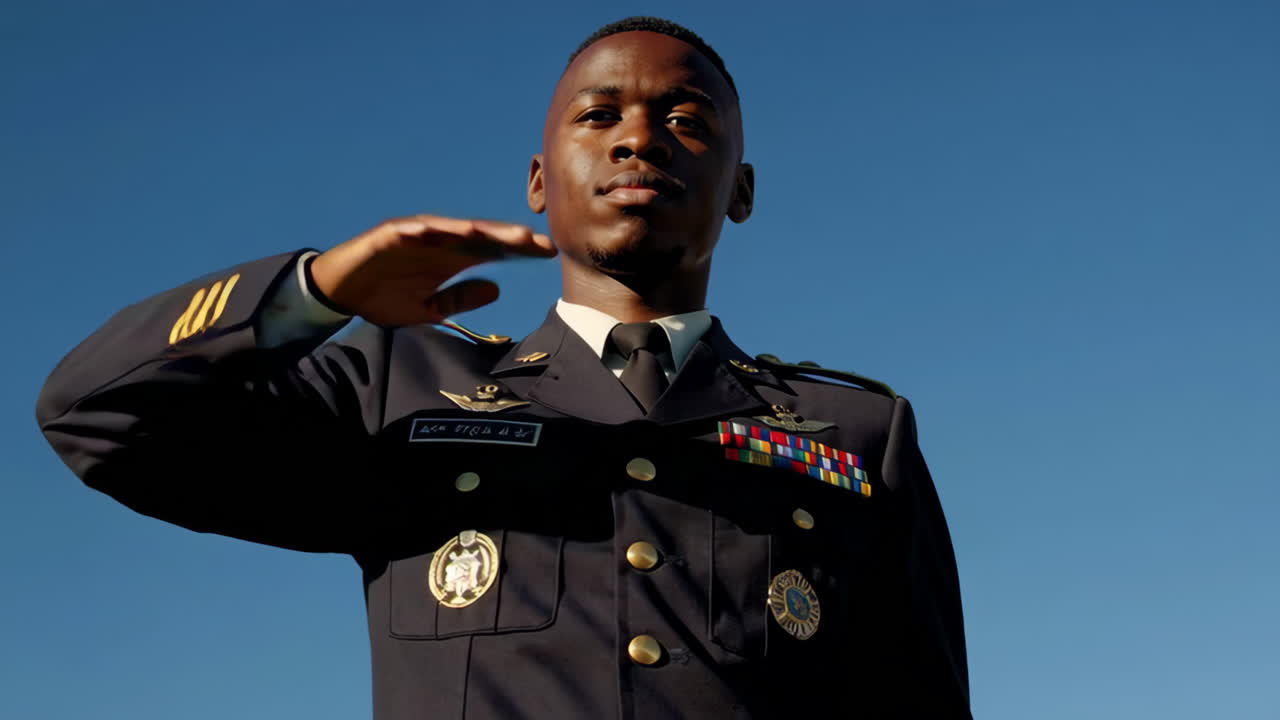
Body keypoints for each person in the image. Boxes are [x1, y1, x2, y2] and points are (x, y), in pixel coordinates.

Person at [37, 16, 972, 719]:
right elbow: (94, 416)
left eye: (686, 119)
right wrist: (314, 291)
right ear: (538, 180)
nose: (638, 138)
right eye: (599, 114)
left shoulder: (853, 435)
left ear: (743, 188)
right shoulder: (392, 387)